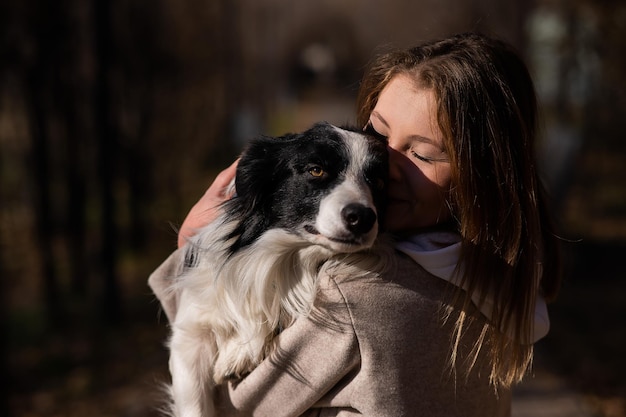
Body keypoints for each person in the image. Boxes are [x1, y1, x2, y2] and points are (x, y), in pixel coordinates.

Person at [149, 32, 562, 416]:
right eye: (378, 135)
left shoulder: (358, 294)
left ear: (483, 179)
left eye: (422, 154)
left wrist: (191, 247)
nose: (385, 165)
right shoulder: (493, 280)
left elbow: (230, 404)